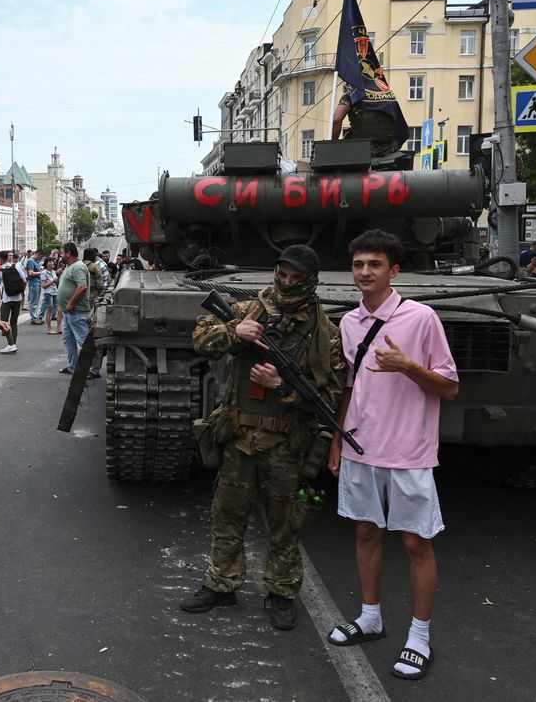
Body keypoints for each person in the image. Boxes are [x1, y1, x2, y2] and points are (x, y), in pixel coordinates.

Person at [180, 245, 345, 632]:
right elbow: (200, 339)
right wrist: (232, 331)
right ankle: (221, 583)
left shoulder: (325, 334)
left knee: (285, 523)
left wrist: (282, 387)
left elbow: (332, 398)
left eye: (296, 277)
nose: (287, 283)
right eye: (282, 274)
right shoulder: (248, 309)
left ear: (310, 280)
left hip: (286, 443)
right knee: (228, 513)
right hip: (238, 435)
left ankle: (282, 593)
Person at [326, 229, 458, 682]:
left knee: (415, 542)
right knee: (366, 533)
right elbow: (350, 387)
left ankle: (419, 635)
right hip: (363, 445)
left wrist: (409, 367)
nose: (365, 272)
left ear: (394, 270)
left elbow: (450, 386)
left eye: (375, 264)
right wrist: (337, 439)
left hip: (409, 450)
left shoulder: (421, 319)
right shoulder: (349, 323)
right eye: (359, 264)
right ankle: (370, 617)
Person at [57, 242, 96, 377]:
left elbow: (82, 287)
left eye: (62, 253)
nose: (60, 255)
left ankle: (92, 370)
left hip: (76, 311)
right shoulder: (70, 266)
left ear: (68, 253)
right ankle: (73, 366)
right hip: (69, 313)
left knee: (84, 342)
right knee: (69, 340)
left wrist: (70, 303)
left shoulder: (78, 267)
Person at [331, 84, 401, 157]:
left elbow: (337, 119)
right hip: (389, 150)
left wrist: (333, 146)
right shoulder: (388, 93)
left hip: (359, 149)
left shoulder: (352, 93)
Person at [0, 250, 26, 354]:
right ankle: (13, 343)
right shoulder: (16, 266)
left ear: (0, 259)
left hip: (7, 300)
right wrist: (21, 292)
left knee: (3, 321)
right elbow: (24, 280)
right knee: (14, 322)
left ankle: (11, 343)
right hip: (17, 299)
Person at [39, 258, 60, 334]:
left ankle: (59, 328)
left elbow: (55, 282)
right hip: (48, 293)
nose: (52, 263)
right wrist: (52, 282)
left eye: (52, 262)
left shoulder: (54, 272)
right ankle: (49, 328)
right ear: (46, 264)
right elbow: (43, 286)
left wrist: (55, 282)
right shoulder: (44, 273)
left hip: (55, 292)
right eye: (49, 262)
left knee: (59, 310)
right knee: (49, 310)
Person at [25, 249, 44, 323]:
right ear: (38, 254)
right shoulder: (31, 261)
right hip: (33, 282)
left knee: (36, 300)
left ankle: (35, 316)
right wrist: (41, 273)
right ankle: (34, 318)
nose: (41, 258)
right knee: (34, 300)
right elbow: (30, 273)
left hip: (37, 282)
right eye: (41, 256)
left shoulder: (35, 261)